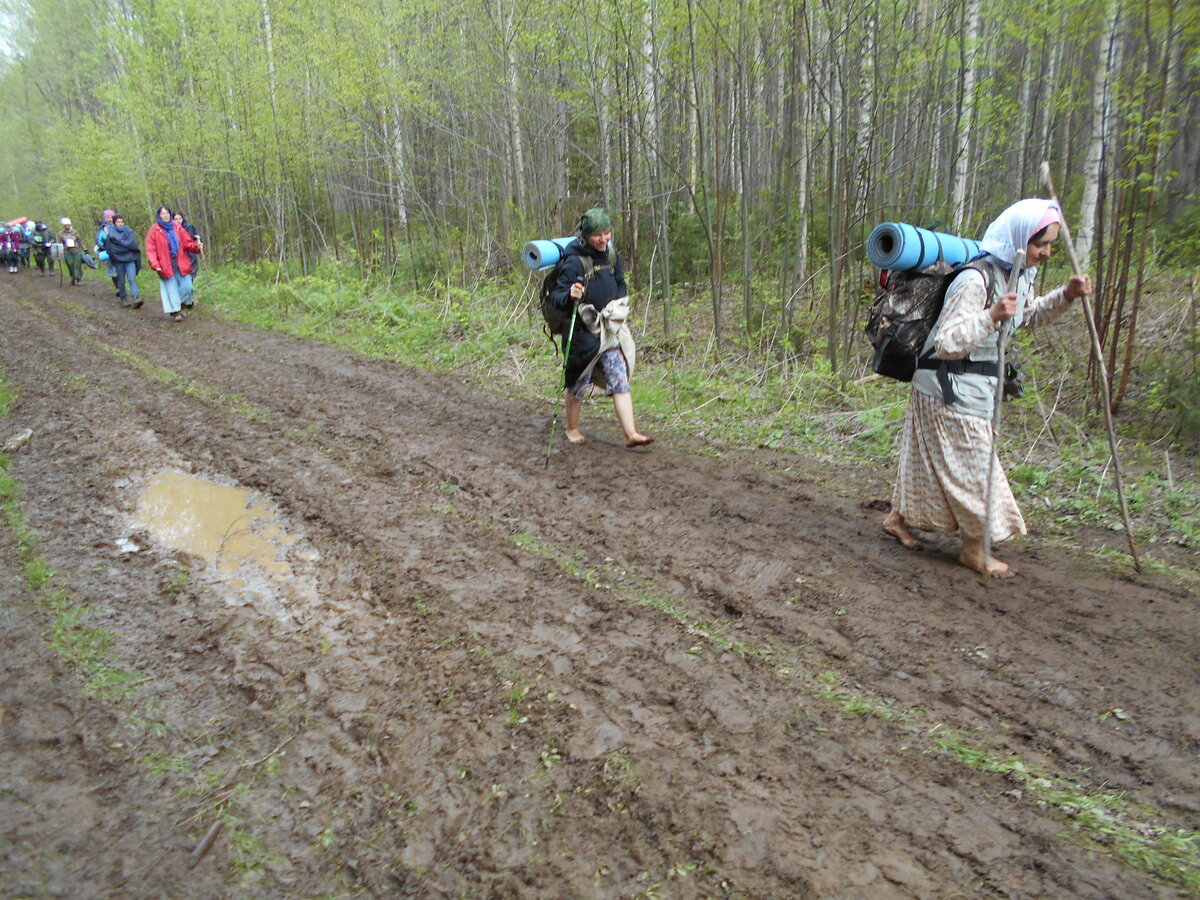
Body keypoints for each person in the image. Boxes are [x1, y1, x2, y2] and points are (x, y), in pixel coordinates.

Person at [882, 198, 1091, 576]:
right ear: (1018, 237)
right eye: (1039, 244)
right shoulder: (974, 279)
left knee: (925, 458)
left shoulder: (1018, 274)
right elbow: (947, 341)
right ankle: (974, 550)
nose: (1045, 253)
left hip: (972, 387)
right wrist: (991, 315)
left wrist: (1066, 295)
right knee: (976, 471)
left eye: (1050, 246)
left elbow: (1024, 318)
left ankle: (896, 518)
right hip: (946, 387)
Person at [550, 208, 652, 448]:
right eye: (598, 235)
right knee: (578, 381)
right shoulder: (573, 260)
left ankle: (631, 434)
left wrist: (615, 307)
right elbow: (557, 297)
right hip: (581, 332)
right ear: (586, 236)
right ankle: (572, 428)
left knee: (619, 377)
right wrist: (570, 294)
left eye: (607, 233)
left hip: (608, 329)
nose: (603, 239)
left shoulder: (612, 255)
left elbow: (621, 285)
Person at [145, 205, 202, 322]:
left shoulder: (177, 227)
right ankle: (176, 312)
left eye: (167, 214)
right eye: (163, 214)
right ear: (159, 216)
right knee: (172, 289)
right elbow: (151, 249)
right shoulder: (154, 230)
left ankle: (182, 305)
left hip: (181, 261)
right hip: (166, 263)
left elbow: (187, 243)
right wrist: (155, 264)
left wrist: (197, 247)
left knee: (188, 287)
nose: (165, 216)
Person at [105, 213, 143, 308]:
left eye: (122, 221)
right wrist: (124, 248)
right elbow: (111, 249)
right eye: (118, 222)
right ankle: (123, 298)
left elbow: (133, 244)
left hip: (130, 259)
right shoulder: (110, 234)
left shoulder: (129, 232)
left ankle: (136, 297)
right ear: (114, 223)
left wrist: (121, 246)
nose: (120, 223)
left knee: (132, 278)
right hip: (118, 261)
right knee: (121, 280)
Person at [172, 211, 200, 309]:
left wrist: (199, 243)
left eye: (180, 218)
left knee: (190, 278)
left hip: (191, 255)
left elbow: (198, 237)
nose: (178, 221)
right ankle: (184, 301)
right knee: (180, 279)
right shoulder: (171, 230)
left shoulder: (189, 227)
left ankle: (188, 300)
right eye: (176, 219)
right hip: (180, 257)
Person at [96, 208, 118, 294]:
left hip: (119, 252)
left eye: (111, 217)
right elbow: (99, 240)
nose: (110, 219)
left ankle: (121, 287)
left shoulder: (118, 225)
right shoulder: (103, 229)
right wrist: (105, 247)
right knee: (113, 270)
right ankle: (118, 288)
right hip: (109, 252)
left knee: (120, 270)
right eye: (108, 217)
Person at [59, 217, 85, 284]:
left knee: (78, 265)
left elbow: (79, 240)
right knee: (70, 265)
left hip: (76, 250)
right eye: (65, 225)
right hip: (67, 251)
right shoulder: (61, 233)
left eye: (68, 225)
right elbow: (59, 242)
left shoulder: (75, 232)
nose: (67, 226)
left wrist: (84, 248)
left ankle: (79, 278)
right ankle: (73, 277)